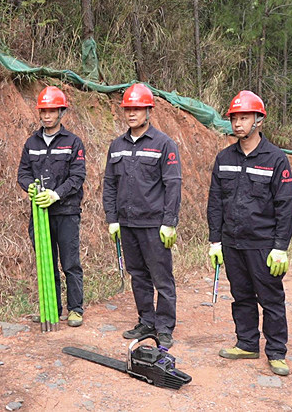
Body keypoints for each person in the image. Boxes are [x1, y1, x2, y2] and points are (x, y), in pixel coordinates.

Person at [206, 90, 292, 376]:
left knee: (270, 298)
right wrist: (215, 240)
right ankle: (246, 343)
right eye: (234, 118)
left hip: (263, 244)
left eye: (244, 117)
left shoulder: (276, 159)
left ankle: (277, 351)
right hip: (232, 243)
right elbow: (215, 202)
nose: (238, 123)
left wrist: (280, 246)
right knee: (241, 295)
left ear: (259, 120)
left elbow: (286, 205)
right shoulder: (224, 158)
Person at [103, 83, 182, 348]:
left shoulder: (164, 144)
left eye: (138, 108)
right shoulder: (117, 145)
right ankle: (146, 321)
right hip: (127, 223)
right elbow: (110, 184)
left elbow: (173, 184)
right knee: (138, 274)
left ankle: (164, 327)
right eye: (128, 108)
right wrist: (112, 218)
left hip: (154, 224)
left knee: (161, 277)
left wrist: (169, 222)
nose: (132, 113)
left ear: (149, 110)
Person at [17, 86, 87, 327]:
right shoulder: (31, 142)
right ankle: (52, 309)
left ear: (61, 112)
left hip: (66, 212)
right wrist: (31, 189)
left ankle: (75, 309)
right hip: (40, 213)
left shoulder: (73, 142)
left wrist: (55, 194)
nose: (47, 115)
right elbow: (23, 173)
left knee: (70, 263)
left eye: (52, 111)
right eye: (43, 111)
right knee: (47, 262)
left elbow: (77, 177)